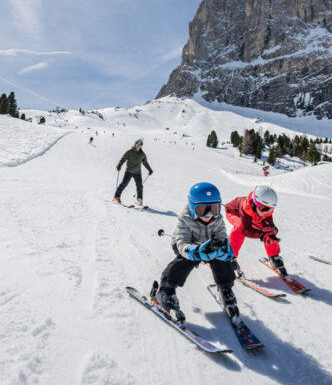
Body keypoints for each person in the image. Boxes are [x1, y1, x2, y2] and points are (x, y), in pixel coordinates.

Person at [154, 182, 239, 323]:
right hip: (187, 246)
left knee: (220, 256)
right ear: (193, 207)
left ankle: (225, 288)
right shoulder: (185, 218)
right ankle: (166, 288)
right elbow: (182, 243)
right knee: (187, 259)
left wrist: (225, 250)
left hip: (208, 245)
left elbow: (222, 237)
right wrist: (196, 251)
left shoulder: (217, 219)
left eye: (214, 209)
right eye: (203, 210)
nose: (209, 214)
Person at [224, 185, 285, 278]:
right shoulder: (246, 207)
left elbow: (270, 226)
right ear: (254, 202)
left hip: (254, 215)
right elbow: (246, 230)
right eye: (262, 208)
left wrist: (273, 231)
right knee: (240, 226)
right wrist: (261, 235)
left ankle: (274, 256)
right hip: (234, 213)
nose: (265, 212)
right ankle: (229, 256)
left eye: (268, 209)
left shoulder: (265, 211)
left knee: (269, 231)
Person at [113, 138, 153, 206]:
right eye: (137, 144)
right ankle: (117, 197)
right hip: (129, 171)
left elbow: (145, 163)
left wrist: (150, 169)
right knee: (124, 184)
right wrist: (119, 165)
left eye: (140, 145)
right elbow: (123, 159)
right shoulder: (130, 152)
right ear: (135, 144)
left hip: (137, 172)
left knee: (140, 186)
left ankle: (139, 199)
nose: (138, 146)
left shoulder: (142, 154)